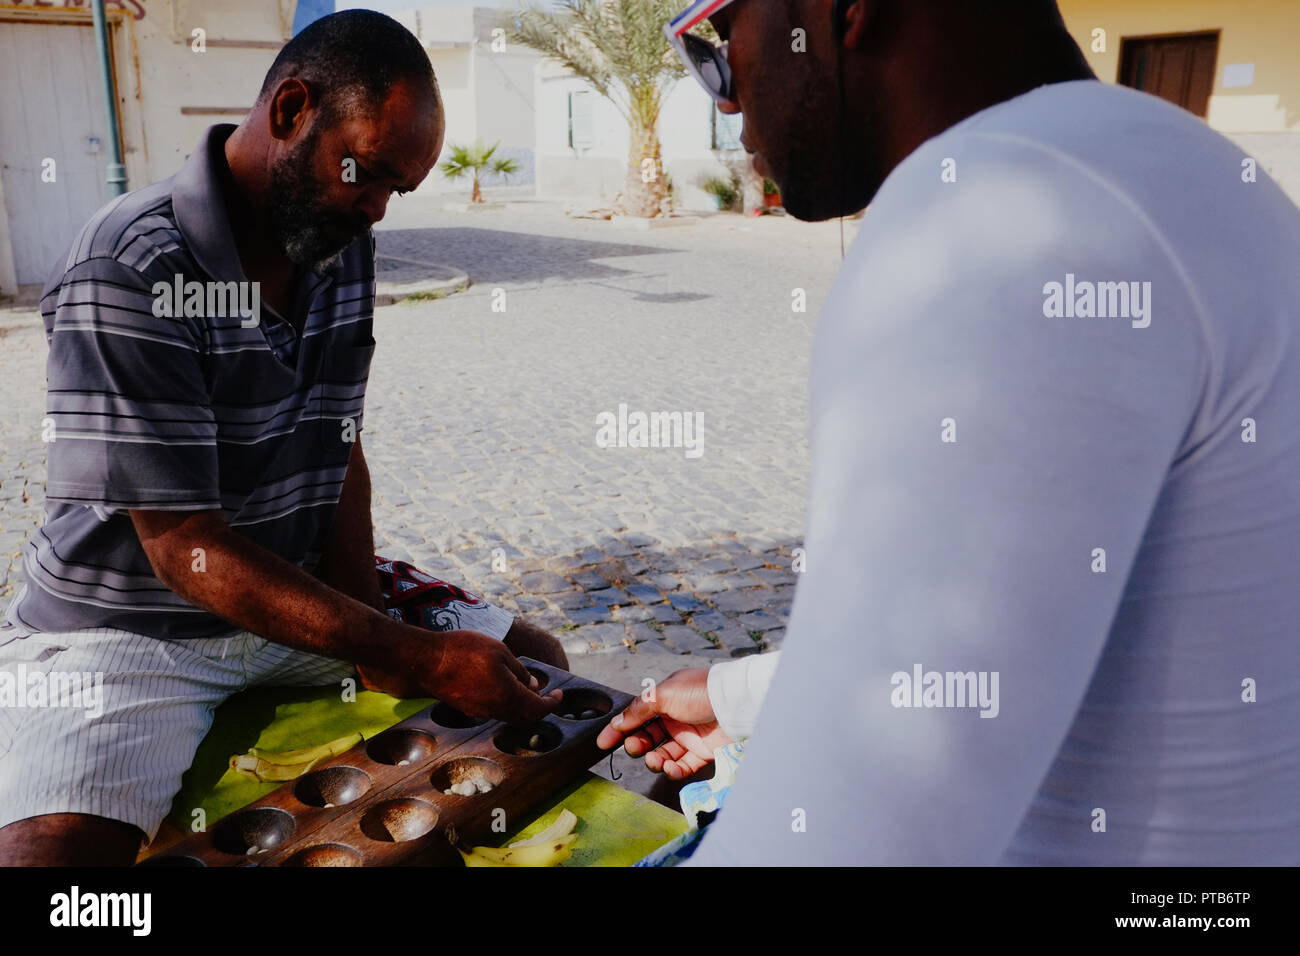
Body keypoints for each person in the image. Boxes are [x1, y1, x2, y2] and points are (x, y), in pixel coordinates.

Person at [601, 0, 1300, 864]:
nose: (727, 93)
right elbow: (1022, 644)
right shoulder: (1188, 168)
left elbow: (856, 841)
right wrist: (740, 697)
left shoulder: (994, 211)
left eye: (717, 41)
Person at [0, 10, 564, 866]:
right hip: (129, 627)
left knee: (535, 666)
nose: (375, 210)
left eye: (394, 192)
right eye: (366, 174)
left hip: (294, 592)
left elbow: (339, 443)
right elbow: (185, 550)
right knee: (53, 863)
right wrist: (408, 650)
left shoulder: (337, 240)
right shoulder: (131, 265)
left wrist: (373, 627)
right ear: (293, 109)